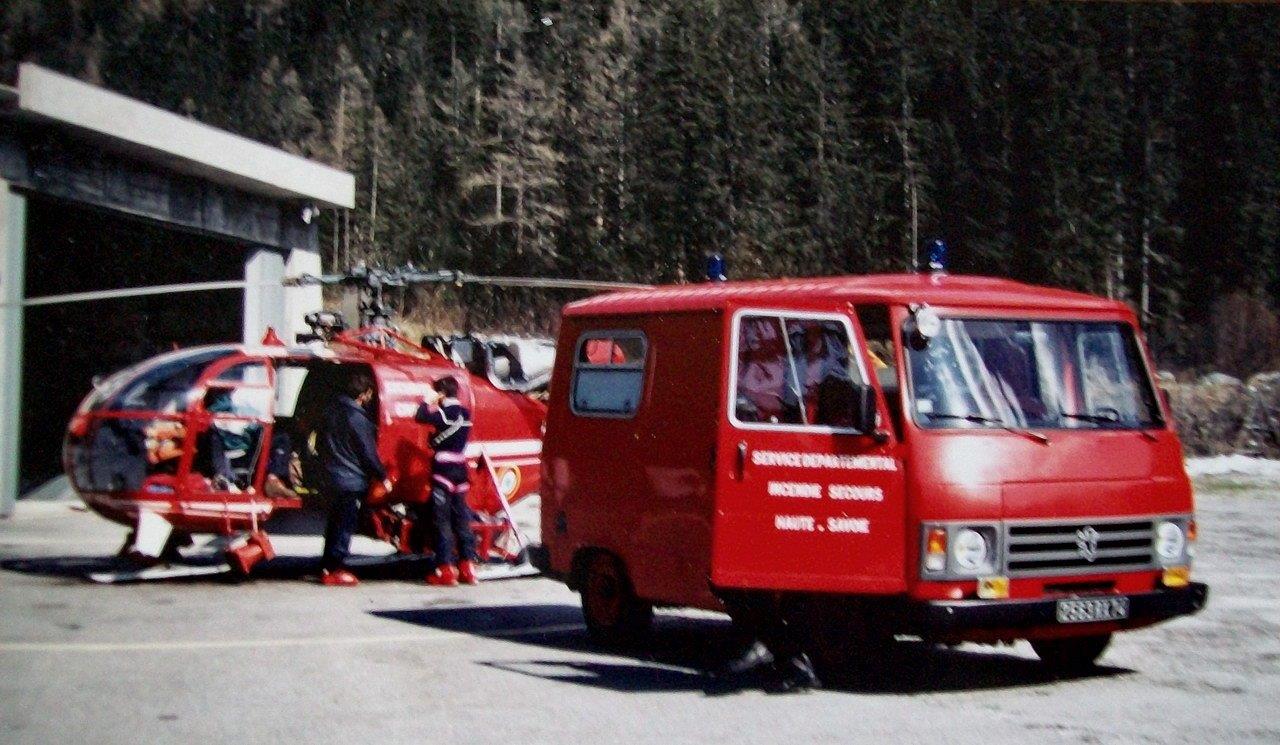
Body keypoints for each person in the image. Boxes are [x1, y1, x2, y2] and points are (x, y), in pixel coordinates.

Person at [316, 371, 391, 587]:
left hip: (330, 477)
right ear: (364, 394)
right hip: (350, 480)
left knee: (333, 524)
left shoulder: (330, 412)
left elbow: (320, 443)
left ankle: (327, 565)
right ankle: (334, 568)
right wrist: (382, 476)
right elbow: (368, 453)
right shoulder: (358, 418)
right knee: (344, 526)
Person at [415, 376, 478, 586]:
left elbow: (420, 416)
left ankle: (446, 569)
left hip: (443, 470)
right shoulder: (466, 414)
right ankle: (468, 566)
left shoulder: (444, 413)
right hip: (461, 470)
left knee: (442, 521)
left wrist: (427, 400)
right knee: (461, 520)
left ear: (441, 393)